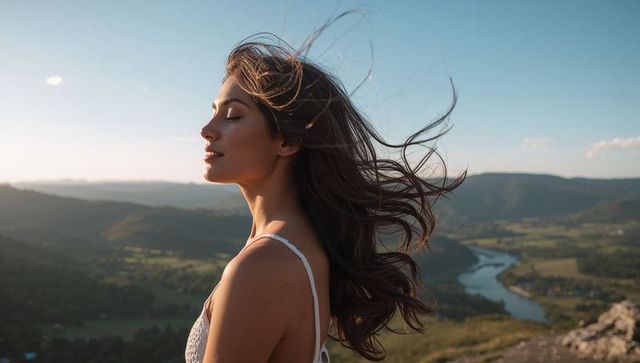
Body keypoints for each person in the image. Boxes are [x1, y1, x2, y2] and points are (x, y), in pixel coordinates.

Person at [186, 12, 467, 363]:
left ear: (287, 139)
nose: (206, 129)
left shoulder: (262, 267)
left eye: (232, 115)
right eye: (214, 111)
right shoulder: (303, 246)